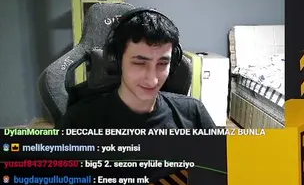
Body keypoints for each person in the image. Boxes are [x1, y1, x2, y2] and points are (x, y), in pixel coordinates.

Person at [59, 9, 216, 130]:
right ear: (117, 61)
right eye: (140, 63)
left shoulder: (194, 113)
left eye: (162, 63)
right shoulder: (78, 121)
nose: (152, 80)